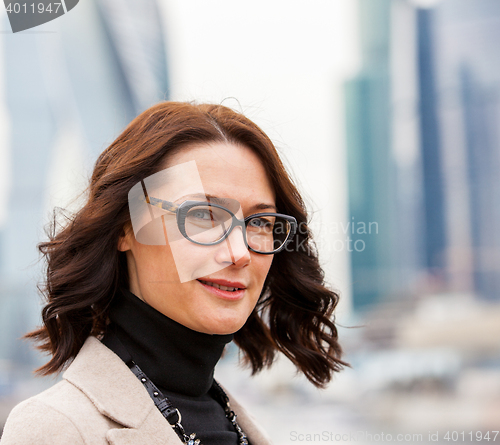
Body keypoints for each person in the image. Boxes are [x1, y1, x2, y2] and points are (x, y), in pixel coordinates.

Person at [1, 102, 346, 445]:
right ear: (126, 228)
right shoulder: (56, 429)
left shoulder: (243, 427)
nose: (239, 253)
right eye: (204, 215)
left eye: (259, 222)